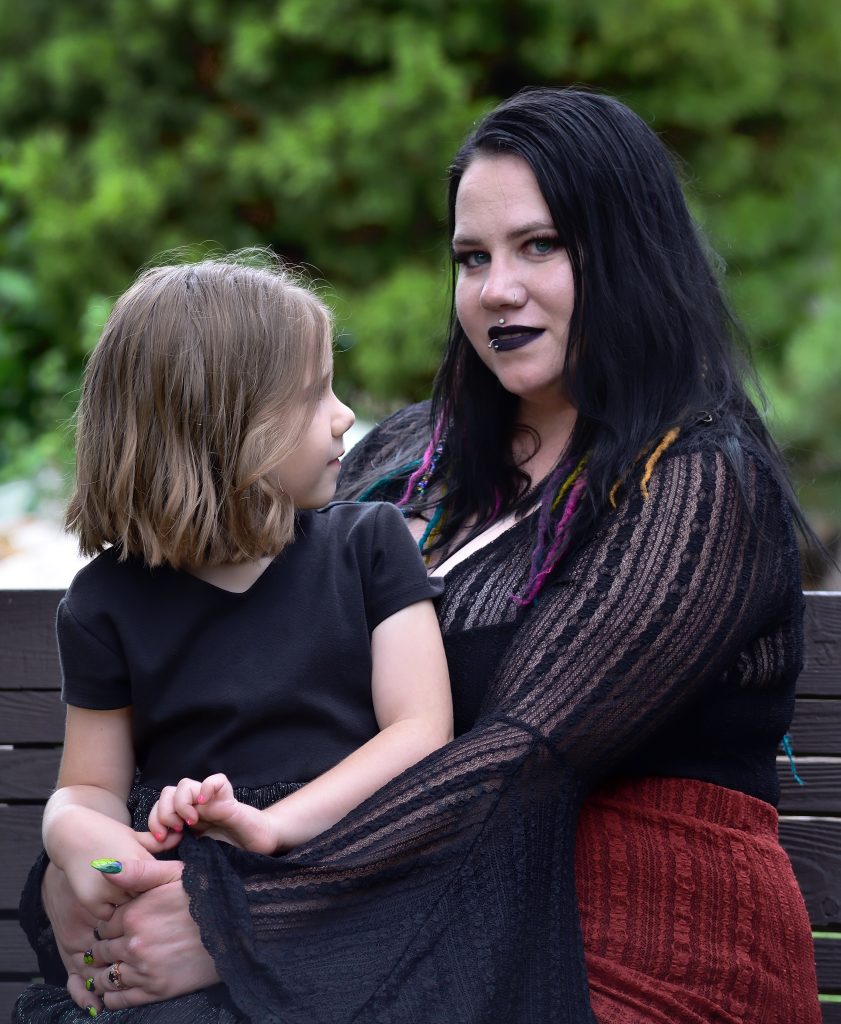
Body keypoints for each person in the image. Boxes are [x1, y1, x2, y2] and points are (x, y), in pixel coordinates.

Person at [19, 87, 822, 1023]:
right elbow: (228, 644)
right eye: (470, 257)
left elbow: (525, 756)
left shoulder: (695, 481)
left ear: (626, 253)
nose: (495, 290)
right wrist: (90, 878)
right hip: (391, 923)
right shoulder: (408, 459)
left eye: (540, 246)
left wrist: (240, 922)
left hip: (627, 948)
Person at [17, 255, 452, 1019]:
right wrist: (77, 839)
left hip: (338, 871)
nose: (345, 414)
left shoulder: (368, 547)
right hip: (184, 875)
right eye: (315, 393)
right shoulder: (106, 603)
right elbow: (89, 786)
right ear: (226, 425)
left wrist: (272, 826)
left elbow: (421, 729)